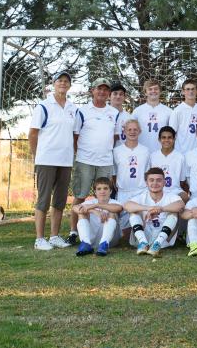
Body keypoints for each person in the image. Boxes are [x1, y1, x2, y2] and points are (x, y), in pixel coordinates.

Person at [29, 70, 78, 250]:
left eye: (66, 81)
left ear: (70, 85)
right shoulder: (43, 106)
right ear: (53, 84)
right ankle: (39, 239)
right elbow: (33, 134)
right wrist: (37, 156)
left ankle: (54, 236)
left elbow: (74, 136)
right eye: (60, 80)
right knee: (43, 200)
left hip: (65, 161)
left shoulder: (73, 108)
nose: (63, 83)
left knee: (59, 200)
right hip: (46, 159)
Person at [68, 77, 120, 245]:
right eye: (99, 89)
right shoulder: (82, 111)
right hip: (85, 161)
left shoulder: (114, 113)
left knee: (105, 197)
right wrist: (81, 155)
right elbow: (75, 136)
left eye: (105, 89)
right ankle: (73, 232)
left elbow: (115, 137)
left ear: (108, 93)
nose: (102, 92)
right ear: (92, 90)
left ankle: (105, 234)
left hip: (105, 161)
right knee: (80, 196)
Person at [124, 167, 185, 257]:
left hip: (164, 240)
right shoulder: (141, 196)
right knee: (133, 212)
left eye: (159, 180)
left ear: (164, 182)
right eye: (151, 180)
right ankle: (143, 242)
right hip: (144, 235)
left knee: (174, 213)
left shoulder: (171, 196)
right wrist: (148, 208)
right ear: (146, 183)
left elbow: (181, 205)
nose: (155, 183)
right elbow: (127, 206)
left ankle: (157, 244)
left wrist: (161, 209)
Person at [112, 119, 150, 238]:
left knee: (143, 222)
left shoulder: (145, 150)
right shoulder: (117, 151)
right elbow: (114, 174)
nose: (132, 132)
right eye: (129, 129)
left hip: (141, 190)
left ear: (140, 131)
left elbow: (147, 173)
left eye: (135, 129)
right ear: (124, 131)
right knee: (125, 234)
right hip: (124, 191)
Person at [72, 177, 122, 256]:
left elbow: (118, 208)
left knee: (112, 213)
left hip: (110, 241)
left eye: (105, 188)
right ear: (95, 192)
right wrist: (94, 211)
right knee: (82, 213)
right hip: (91, 239)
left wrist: (97, 205)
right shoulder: (90, 202)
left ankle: (104, 244)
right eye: (99, 189)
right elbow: (75, 208)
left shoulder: (114, 202)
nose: (102, 191)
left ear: (110, 191)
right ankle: (85, 243)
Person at [150, 126, 189, 202]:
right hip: (157, 189)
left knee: (185, 197)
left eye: (169, 137)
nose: (166, 140)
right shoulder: (153, 156)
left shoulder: (180, 157)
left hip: (175, 190)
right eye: (163, 137)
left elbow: (182, 181)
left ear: (174, 139)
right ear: (159, 139)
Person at [132, 79, 172, 152]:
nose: (153, 91)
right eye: (150, 89)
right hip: (141, 152)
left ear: (160, 91)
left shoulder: (169, 111)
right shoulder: (137, 111)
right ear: (145, 93)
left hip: (162, 152)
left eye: (156, 89)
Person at [169, 79, 197, 154]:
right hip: (182, 152)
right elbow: (171, 134)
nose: (191, 91)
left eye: (193, 89)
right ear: (183, 92)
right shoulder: (177, 111)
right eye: (188, 89)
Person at [110, 81, 131, 147]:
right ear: (109, 96)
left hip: (123, 155)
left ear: (124, 97)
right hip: (105, 155)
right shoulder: (103, 115)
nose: (118, 96)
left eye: (121, 94)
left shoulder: (129, 117)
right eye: (115, 94)